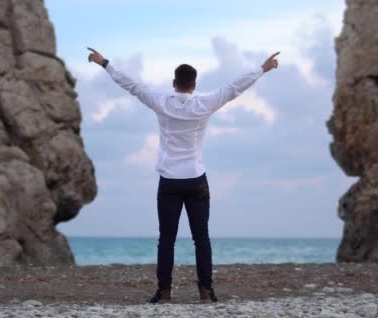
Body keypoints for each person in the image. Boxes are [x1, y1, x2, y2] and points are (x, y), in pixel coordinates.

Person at [87, 47, 280, 303]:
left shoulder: (161, 102)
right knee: (202, 238)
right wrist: (262, 69)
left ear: (174, 83)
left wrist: (105, 63)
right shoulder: (204, 104)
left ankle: (164, 292)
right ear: (194, 85)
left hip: (169, 180)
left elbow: (132, 85)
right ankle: (206, 291)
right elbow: (234, 88)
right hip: (196, 179)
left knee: (167, 239)